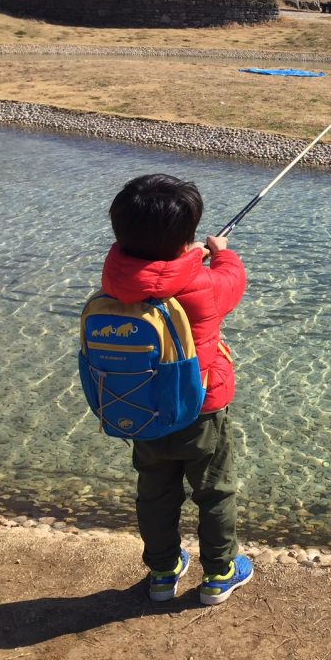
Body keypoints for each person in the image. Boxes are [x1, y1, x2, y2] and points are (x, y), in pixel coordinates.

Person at [101, 174, 252, 606]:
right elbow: (232, 281)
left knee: (155, 490)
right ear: (186, 238)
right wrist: (220, 253)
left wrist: (186, 255)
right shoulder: (202, 286)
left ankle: (164, 573)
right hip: (200, 406)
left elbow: (152, 274)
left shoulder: (114, 278)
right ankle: (221, 573)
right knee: (214, 491)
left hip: (142, 407)